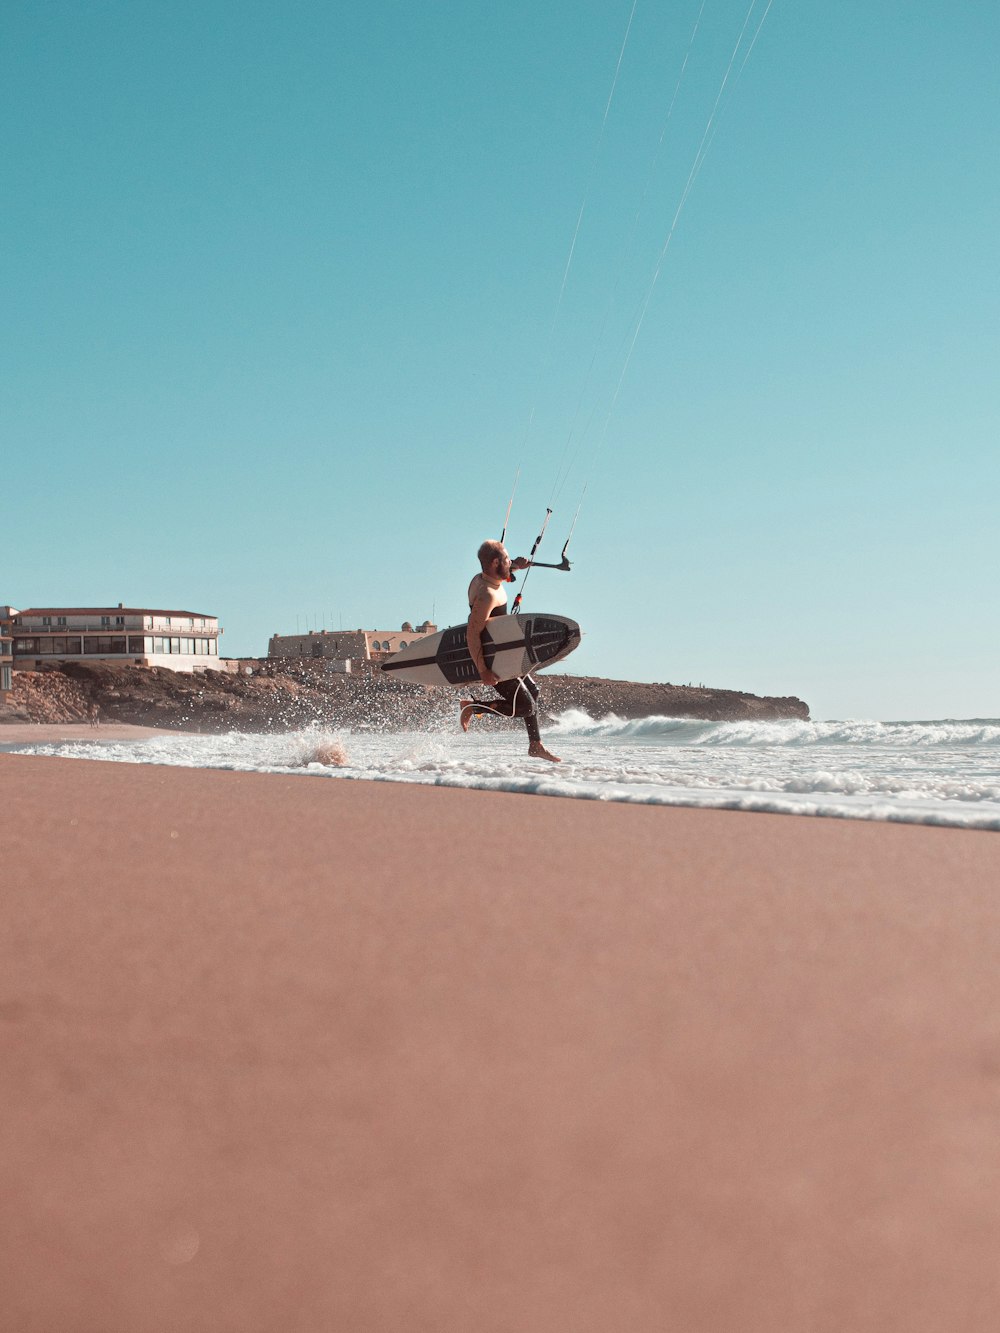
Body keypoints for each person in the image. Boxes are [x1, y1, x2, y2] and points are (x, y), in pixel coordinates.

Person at [460, 539, 561, 762]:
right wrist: (483, 670)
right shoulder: (487, 594)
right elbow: (472, 633)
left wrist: (515, 565)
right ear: (495, 562)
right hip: (493, 658)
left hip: (504, 651)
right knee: (525, 707)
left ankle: (535, 745)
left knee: (533, 693)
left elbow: (501, 573)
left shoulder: (484, 579)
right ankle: (473, 707)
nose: (510, 560)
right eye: (506, 558)